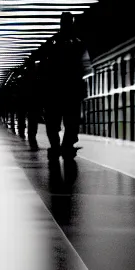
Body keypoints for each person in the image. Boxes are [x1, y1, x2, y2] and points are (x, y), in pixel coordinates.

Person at [41, 12, 91, 161]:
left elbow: (44, 67)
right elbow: (85, 67)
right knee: (71, 122)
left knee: (52, 122)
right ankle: (67, 146)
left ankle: (56, 147)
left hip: (54, 90)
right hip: (72, 90)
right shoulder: (79, 44)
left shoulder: (51, 43)